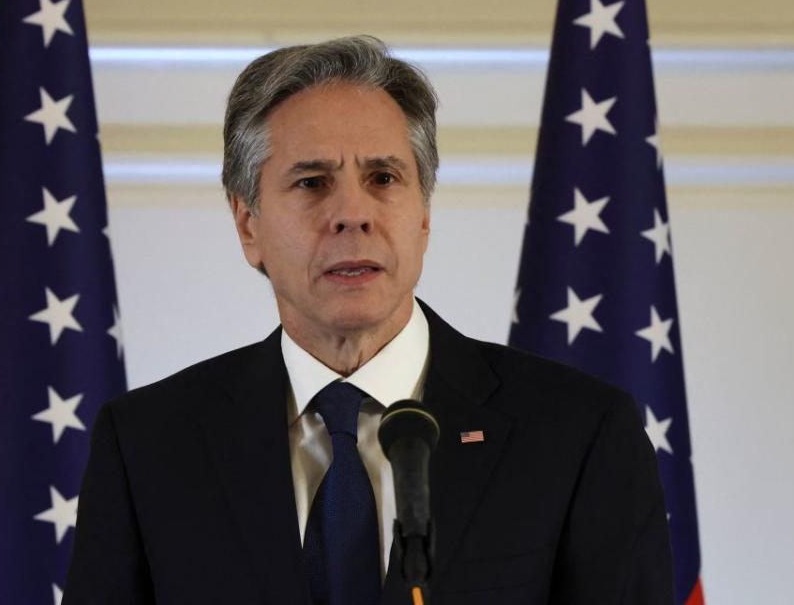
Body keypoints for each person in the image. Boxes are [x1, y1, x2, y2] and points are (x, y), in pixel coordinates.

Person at [63, 36, 674, 605]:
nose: (352, 214)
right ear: (248, 224)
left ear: (424, 214)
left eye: (383, 178)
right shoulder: (147, 446)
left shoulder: (579, 433)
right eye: (312, 182)